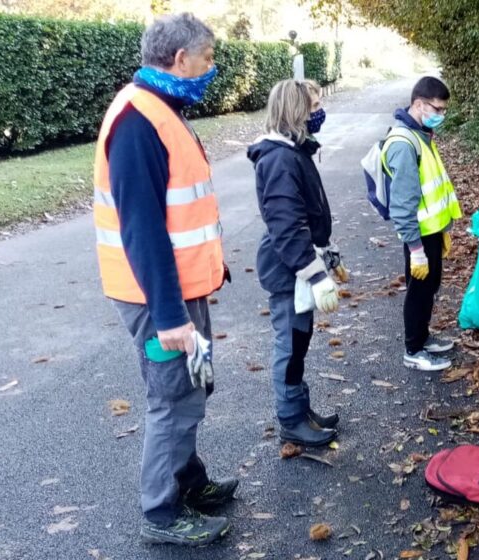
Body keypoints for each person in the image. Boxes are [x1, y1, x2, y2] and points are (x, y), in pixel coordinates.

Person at [92, 13, 235, 546]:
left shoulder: (160, 108)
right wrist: (170, 315)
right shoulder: (137, 120)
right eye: (208, 58)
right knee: (171, 398)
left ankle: (188, 483)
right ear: (181, 60)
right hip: (157, 298)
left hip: (178, 289)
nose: (210, 68)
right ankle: (160, 512)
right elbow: (143, 229)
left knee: (190, 387)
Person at [248, 79, 344, 447]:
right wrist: (315, 274)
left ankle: (301, 409)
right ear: (296, 111)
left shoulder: (293, 152)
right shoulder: (278, 159)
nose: (319, 111)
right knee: (290, 346)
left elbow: (307, 214)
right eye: (314, 106)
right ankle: (290, 419)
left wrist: (326, 253)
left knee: (299, 341)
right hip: (287, 267)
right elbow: (286, 227)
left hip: (297, 262)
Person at [382, 76, 464, 371]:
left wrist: (442, 228)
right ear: (419, 104)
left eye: (443, 110)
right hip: (418, 236)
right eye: (437, 109)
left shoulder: (421, 133)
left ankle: (423, 336)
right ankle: (413, 350)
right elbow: (403, 203)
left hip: (431, 232)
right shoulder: (404, 143)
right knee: (418, 291)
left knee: (430, 287)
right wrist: (415, 247)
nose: (441, 115)